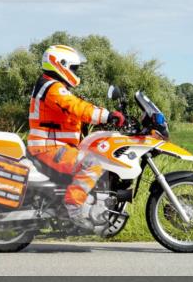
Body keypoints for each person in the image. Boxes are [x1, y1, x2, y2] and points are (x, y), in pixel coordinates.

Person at [27, 44, 125, 232]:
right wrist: (106, 116)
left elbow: (70, 113)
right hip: (49, 147)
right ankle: (74, 207)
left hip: (54, 145)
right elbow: (75, 106)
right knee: (93, 164)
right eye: (73, 68)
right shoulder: (52, 87)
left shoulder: (50, 85)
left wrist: (101, 122)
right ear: (60, 64)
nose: (75, 72)